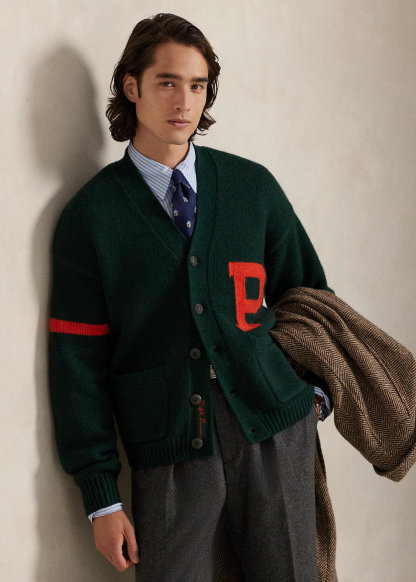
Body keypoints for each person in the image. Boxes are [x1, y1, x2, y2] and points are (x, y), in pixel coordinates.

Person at [49, 12, 332, 581]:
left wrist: (316, 393)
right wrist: (101, 497)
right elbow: (77, 363)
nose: (184, 102)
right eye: (167, 82)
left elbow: (310, 296)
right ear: (132, 87)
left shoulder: (252, 188)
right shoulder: (92, 217)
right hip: (171, 444)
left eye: (198, 85)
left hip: (274, 430)